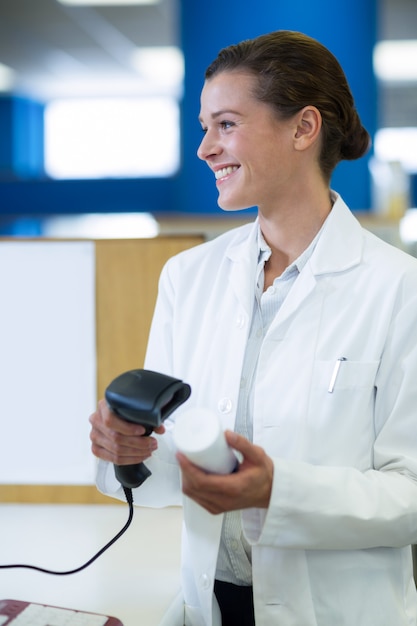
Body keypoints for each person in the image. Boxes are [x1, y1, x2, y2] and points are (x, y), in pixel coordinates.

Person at [89, 30, 417, 626]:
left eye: (227, 124)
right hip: (207, 605)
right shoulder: (187, 278)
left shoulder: (399, 289)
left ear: (302, 128)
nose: (205, 148)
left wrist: (277, 492)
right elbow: (174, 463)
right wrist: (127, 450)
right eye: (204, 127)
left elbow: (411, 492)